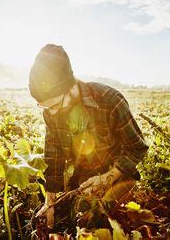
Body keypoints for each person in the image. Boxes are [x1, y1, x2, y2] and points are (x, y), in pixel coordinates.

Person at [28, 44, 149, 229]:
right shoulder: (51, 113)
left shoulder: (109, 100)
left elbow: (137, 148)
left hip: (118, 176)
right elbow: (53, 157)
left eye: (54, 105)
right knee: (68, 215)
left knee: (94, 218)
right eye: (45, 108)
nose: (50, 113)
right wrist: (49, 202)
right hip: (81, 176)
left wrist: (107, 178)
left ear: (69, 88)